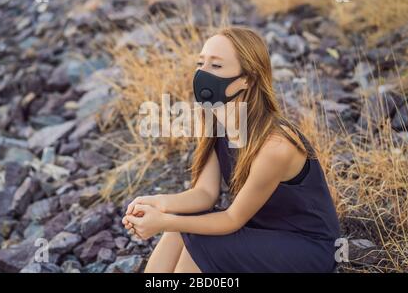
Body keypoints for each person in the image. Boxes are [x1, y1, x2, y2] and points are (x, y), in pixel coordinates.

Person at [122, 26, 341, 273]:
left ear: (248, 78)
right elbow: (205, 193)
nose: (203, 74)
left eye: (216, 66)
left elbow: (232, 219)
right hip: (261, 235)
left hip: (307, 250)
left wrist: (162, 222)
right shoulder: (216, 121)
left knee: (198, 238)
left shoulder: (276, 145)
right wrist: (157, 204)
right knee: (183, 226)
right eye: (200, 63)